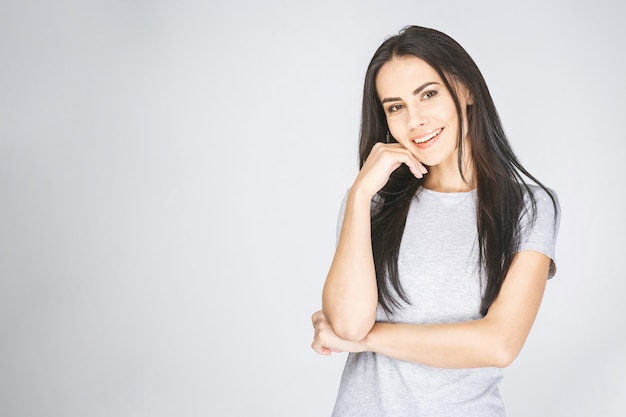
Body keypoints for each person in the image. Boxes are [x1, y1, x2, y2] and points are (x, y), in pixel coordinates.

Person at [310, 25, 560, 416]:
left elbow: (499, 344)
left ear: (465, 89)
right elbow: (345, 324)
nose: (416, 120)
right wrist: (359, 195)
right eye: (395, 106)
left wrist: (368, 340)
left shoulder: (528, 206)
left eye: (428, 94)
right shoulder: (371, 204)